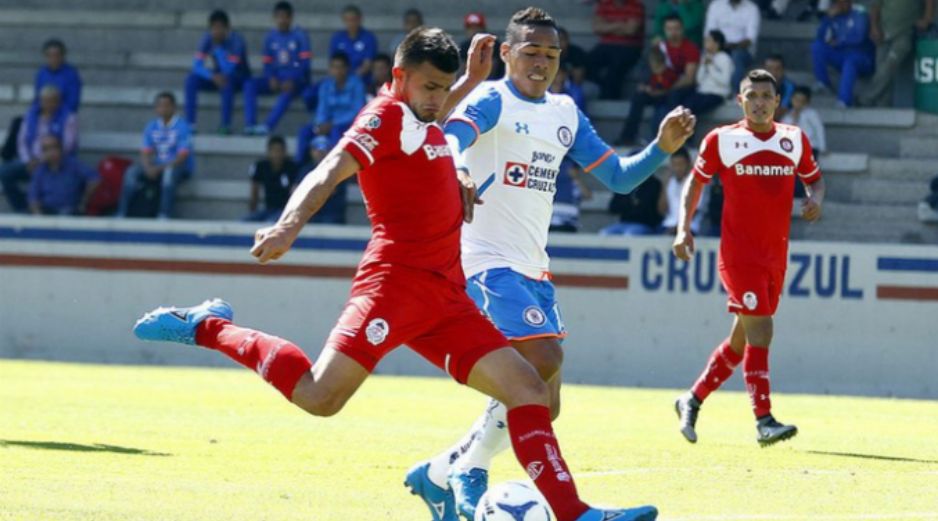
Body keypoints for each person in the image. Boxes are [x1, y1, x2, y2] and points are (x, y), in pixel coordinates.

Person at [132, 27, 660, 521]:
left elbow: (429, 125)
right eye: (429, 87)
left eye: (444, 89)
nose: (437, 99)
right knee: (320, 396)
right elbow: (329, 168)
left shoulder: (423, 115)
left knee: (529, 389)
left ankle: (576, 514)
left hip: (447, 295)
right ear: (399, 74)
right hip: (392, 288)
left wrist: (470, 85)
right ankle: (208, 326)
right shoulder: (382, 117)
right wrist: (287, 225)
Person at [409, 8, 695, 520]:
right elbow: (450, 136)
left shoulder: (565, 111)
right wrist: (457, 169)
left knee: (543, 401)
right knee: (539, 364)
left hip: (533, 269)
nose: (541, 62)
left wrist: (660, 148)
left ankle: (441, 472)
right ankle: (506, 485)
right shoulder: (492, 99)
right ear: (507, 53)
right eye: (531, 52)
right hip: (483, 262)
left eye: (551, 54)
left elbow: (621, 178)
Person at [672, 69, 826, 447]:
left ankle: (690, 399)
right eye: (751, 95)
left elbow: (815, 179)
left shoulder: (793, 140)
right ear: (740, 100)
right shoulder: (722, 140)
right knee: (762, 330)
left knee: (741, 342)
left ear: (777, 101)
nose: (759, 102)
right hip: (739, 255)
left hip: (776, 254)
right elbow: (695, 181)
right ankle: (764, 420)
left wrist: (815, 200)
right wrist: (683, 228)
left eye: (765, 96)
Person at [116, 92, 193, 219]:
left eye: (166, 105)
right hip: (157, 165)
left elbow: (182, 156)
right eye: (160, 106)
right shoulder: (151, 126)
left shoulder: (182, 126)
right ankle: (121, 212)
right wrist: (147, 167)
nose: (163, 109)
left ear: (174, 107)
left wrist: (158, 169)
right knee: (131, 172)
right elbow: (145, 151)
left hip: (178, 166)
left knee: (168, 175)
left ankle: (164, 214)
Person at [1, 85, 77, 213]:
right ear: (40, 101)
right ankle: (22, 207)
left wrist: (43, 160)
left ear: (58, 102)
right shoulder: (30, 116)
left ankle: (52, 210)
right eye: (45, 100)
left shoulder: (68, 118)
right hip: (30, 161)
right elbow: (21, 142)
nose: (49, 104)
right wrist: (28, 160)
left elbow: (68, 145)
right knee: (4, 171)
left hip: (56, 161)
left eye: (52, 100)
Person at [243, 1, 311, 135]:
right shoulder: (270, 37)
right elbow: (267, 62)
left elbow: (305, 63)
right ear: (274, 18)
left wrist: (293, 79)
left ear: (291, 18)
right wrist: (270, 77)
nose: (282, 20)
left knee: (288, 92)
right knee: (249, 84)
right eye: (279, 17)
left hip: (297, 80)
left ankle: (267, 126)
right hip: (277, 78)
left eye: (285, 17)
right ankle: (250, 124)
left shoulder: (300, 36)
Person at [184, 10, 251, 135]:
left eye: (220, 28)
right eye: (214, 28)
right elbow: (196, 66)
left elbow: (229, 68)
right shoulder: (207, 38)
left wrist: (219, 49)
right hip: (217, 76)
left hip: (238, 77)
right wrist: (211, 76)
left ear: (228, 28)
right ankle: (190, 124)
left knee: (227, 81)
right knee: (191, 79)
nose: (217, 32)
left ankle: (225, 125)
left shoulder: (237, 41)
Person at [860, 0, 935, 106]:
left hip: (906, 33)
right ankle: (882, 108)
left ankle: (867, 97)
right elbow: (875, 7)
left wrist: (926, 20)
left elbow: (929, 2)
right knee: (881, 67)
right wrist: (874, 27)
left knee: (889, 65)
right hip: (883, 32)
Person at [296, 52, 366, 166]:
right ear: (330, 69)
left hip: (348, 124)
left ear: (347, 68)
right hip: (327, 124)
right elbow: (322, 109)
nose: (338, 71)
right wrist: (320, 125)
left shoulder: (357, 84)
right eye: (334, 67)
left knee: (335, 131)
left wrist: (332, 124)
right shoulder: (325, 85)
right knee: (305, 131)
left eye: (341, 67)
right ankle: (300, 166)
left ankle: (335, 166)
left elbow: (357, 110)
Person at [811, 0, 875, 108]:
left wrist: (839, 41)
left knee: (850, 61)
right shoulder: (835, 14)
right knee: (817, 46)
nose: (841, 5)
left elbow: (859, 37)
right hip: (842, 55)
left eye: (843, 2)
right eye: (838, 2)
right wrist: (828, 18)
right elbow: (820, 36)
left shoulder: (860, 13)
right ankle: (823, 83)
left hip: (863, 57)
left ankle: (844, 101)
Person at [616, 47, 679, 145]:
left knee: (661, 112)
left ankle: (660, 140)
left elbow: (667, 90)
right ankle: (628, 136)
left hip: (666, 99)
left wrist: (651, 91)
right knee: (638, 98)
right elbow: (648, 85)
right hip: (653, 96)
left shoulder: (669, 74)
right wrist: (645, 89)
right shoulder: (650, 73)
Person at [27, 134, 99, 215]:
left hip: (71, 211)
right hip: (48, 212)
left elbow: (95, 178)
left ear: (60, 148)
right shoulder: (40, 170)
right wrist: (39, 216)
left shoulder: (74, 165)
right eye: (45, 149)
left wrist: (84, 201)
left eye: (53, 147)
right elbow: (33, 197)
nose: (50, 152)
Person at [588, 0, 646, 100]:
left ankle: (608, 99)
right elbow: (597, 28)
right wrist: (621, 25)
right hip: (606, 45)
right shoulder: (604, 5)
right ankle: (603, 88)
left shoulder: (636, 5)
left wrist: (608, 26)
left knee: (615, 68)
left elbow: (631, 30)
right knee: (586, 62)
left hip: (629, 46)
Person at [704, 0, 760, 93]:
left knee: (736, 56)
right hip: (718, 47)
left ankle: (735, 93)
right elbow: (710, 33)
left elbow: (750, 39)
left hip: (742, 49)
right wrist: (720, 47)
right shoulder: (716, 5)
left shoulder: (752, 9)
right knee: (705, 55)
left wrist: (732, 46)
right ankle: (706, 90)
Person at [244, 135, 299, 222]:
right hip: (268, 210)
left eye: (280, 151)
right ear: (268, 152)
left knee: (270, 222)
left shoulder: (292, 168)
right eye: (274, 151)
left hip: (284, 211)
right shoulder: (261, 166)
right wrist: (252, 211)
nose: (277, 154)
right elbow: (254, 190)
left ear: (285, 152)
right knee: (245, 221)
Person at [681, 30, 734, 118]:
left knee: (693, 107)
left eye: (709, 40)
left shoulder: (725, 59)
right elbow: (699, 80)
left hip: (717, 94)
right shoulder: (705, 57)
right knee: (685, 103)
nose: (705, 43)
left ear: (717, 43)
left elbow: (725, 81)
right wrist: (703, 65)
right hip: (702, 92)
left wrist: (710, 66)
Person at [657, 14, 701, 112]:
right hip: (663, 85)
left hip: (682, 88)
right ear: (664, 30)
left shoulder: (691, 48)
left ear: (682, 29)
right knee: (640, 95)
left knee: (672, 96)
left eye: (676, 28)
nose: (673, 32)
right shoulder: (659, 47)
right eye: (669, 29)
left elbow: (689, 79)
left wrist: (668, 88)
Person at [600, 172, 666, 235]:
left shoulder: (654, 183)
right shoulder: (624, 183)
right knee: (604, 233)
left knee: (630, 234)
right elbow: (613, 207)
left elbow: (646, 211)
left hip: (645, 225)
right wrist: (631, 204)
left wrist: (627, 205)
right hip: (624, 223)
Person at [660, 147, 707, 234]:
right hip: (668, 224)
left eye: (681, 164)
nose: (677, 168)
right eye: (674, 165)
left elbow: (694, 211)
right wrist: (665, 185)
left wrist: (678, 227)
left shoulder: (696, 183)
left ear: (688, 164)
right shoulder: (669, 182)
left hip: (690, 227)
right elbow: (661, 210)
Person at [329, 5, 378, 80]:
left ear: (360, 19)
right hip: (340, 79)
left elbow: (368, 64)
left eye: (353, 19)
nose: (350, 23)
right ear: (343, 20)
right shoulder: (337, 38)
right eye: (347, 20)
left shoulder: (369, 38)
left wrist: (352, 78)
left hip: (363, 80)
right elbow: (333, 63)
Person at [34, 39, 82, 114]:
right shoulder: (42, 73)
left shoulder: (71, 75)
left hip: (63, 116)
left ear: (62, 56)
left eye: (56, 55)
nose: (53, 59)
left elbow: (72, 102)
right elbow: (37, 99)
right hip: (44, 115)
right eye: (49, 55)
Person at [782, 86, 826, 156]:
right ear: (791, 99)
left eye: (801, 101)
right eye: (796, 100)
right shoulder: (788, 116)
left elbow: (819, 129)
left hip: (810, 146)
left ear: (807, 102)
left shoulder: (811, 114)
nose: (798, 103)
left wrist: (822, 148)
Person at [460, 12, 505, 80]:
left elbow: (492, 70)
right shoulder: (464, 46)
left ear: (483, 28)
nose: (474, 30)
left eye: (477, 27)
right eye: (470, 28)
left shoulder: (493, 44)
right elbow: (462, 70)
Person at [551, 158, 592, 232]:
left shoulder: (576, 183)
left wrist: (576, 178)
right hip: (550, 223)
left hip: (569, 224)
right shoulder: (551, 182)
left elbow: (588, 195)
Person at [557, 26, 598, 101]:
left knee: (578, 92)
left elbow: (578, 79)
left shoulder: (576, 53)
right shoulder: (548, 54)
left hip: (582, 83)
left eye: (562, 39)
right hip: (555, 85)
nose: (559, 43)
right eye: (556, 40)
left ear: (567, 40)